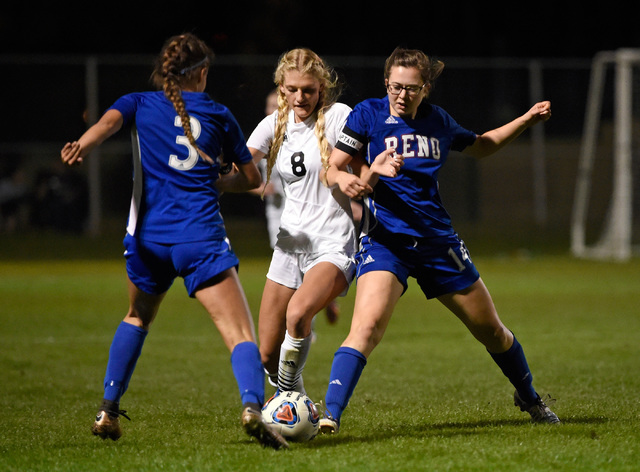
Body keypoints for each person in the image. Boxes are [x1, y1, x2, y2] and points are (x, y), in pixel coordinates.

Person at [60, 33, 288, 450]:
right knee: (240, 335)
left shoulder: (139, 103)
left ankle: (108, 411)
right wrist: (220, 180)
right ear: (201, 73)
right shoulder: (218, 114)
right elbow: (253, 178)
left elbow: (106, 125)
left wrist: (82, 145)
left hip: (147, 241)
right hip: (199, 238)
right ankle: (254, 408)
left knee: (136, 317)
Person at [319, 47, 560, 434]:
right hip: (388, 243)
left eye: (411, 89)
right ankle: (330, 414)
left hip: (437, 242)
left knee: (492, 331)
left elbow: (482, 146)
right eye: (396, 87)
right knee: (365, 329)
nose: (402, 95)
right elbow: (332, 168)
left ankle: (528, 396)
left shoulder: (438, 122)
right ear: (386, 84)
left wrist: (527, 120)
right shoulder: (367, 114)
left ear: (425, 88)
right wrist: (350, 178)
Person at [246, 48, 357, 395]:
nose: (300, 97)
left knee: (297, 315)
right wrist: (212, 178)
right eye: (292, 89)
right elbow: (243, 169)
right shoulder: (273, 124)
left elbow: (362, 161)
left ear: (322, 87)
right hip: (291, 243)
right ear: (281, 87)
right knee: (266, 352)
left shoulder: (339, 116)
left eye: (308, 89)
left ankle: (293, 402)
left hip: (333, 242)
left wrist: (366, 182)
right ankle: (294, 401)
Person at [252, 89, 342, 330]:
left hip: (317, 220)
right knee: (294, 269)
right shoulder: (268, 135)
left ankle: (305, 322)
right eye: (269, 105)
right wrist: (260, 188)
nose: (274, 109)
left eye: (276, 104)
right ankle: (315, 308)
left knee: (306, 275)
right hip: (279, 213)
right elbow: (244, 174)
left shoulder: (319, 128)